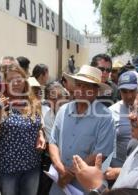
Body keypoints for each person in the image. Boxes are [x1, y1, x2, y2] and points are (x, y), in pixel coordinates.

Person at [49, 65, 115, 194]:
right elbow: (53, 141)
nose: (81, 89)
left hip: (85, 185)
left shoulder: (105, 117)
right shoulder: (63, 110)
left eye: (87, 86)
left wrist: (70, 174)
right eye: (79, 85)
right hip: (59, 180)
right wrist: (60, 168)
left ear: (96, 91)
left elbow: (100, 153)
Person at [0, 65, 46, 195]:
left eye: (19, 79)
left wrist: (41, 135)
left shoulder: (33, 103)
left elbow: (38, 125)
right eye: (11, 80)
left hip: (32, 166)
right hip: (7, 169)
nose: (16, 83)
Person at [109, 71, 138, 167]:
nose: (129, 96)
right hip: (118, 167)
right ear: (119, 92)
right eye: (124, 91)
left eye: (132, 91)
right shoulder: (111, 112)